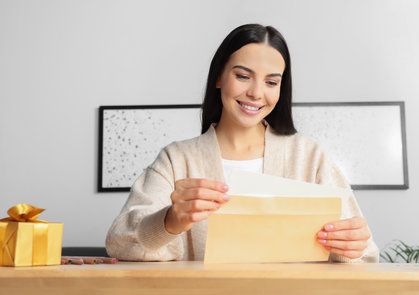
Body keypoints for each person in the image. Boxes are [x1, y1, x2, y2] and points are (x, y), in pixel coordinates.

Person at [106, 24, 379, 263]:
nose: (256, 93)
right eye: (242, 76)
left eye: (271, 82)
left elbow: (365, 253)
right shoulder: (177, 159)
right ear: (218, 77)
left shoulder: (308, 156)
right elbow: (120, 242)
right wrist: (170, 222)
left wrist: (347, 247)